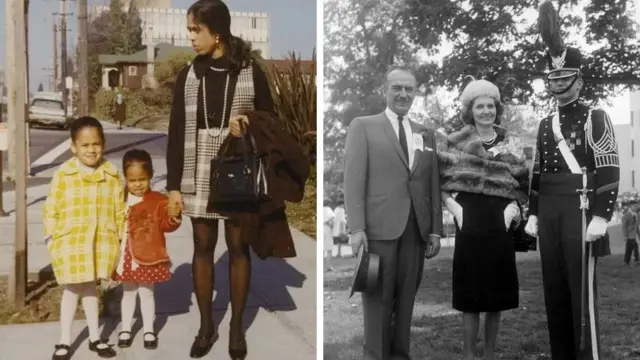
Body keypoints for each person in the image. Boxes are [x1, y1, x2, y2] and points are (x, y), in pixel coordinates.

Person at [164, 1, 276, 358]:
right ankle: (205, 326)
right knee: (201, 247)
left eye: (196, 30)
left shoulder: (248, 70)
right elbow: (176, 131)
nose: (191, 37)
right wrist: (172, 188)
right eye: (190, 30)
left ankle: (236, 327)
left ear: (217, 31)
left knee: (239, 248)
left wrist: (245, 123)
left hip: (237, 167)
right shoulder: (188, 74)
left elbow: (270, 120)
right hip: (196, 168)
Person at [525, 2, 620, 359]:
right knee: (554, 289)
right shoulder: (544, 123)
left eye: (565, 79)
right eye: (554, 79)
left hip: (580, 209)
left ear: (579, 80)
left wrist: (601, 215)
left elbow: (609, 166)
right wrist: (533, 211)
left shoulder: (597, 116)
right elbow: (537, 170)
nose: (559, 85)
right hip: (548, 209)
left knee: (581, 291)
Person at [344, 66, 443, 360]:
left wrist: (435, 229)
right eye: (396, 88)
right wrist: (356, 228)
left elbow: (432, 183)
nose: (403, 94)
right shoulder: (363, 126)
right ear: (384, 91)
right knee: (377, 303)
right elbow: (353, 180)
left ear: (415, 93)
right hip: (378, 231)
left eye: (409, 89)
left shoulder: (426, 134)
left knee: (405, 303)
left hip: (416, 232)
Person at [437, 78, 530, 360]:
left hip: (499, 220)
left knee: (496, 295)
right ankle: (469, 355)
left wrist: (513, 207)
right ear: (470, 110)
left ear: (497, 109)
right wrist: (454, 208)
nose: (486, 111)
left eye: (491, 105)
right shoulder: (455, 141)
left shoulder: (511, 141)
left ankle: (489, 354)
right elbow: (441, 182)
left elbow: (523, 181)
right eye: (480, 106)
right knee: (470, 295)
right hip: (470, 218)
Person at [43, 116, 124, 360]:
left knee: (90, 289)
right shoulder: (64, 174)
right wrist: (51, 236)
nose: (91, 149)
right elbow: (52, 207)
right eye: (85, 145)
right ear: (74, 147)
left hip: (99, 242)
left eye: (96, 144)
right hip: (71, 242)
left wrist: (120, 239)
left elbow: (119, 210)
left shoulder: (111, 174)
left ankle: (94, 337)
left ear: (104, 143)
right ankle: (64, 341)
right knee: (71, 290)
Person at [112, 149, 182, 349]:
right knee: (128, 293)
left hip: (148, 254)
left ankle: (149, 329)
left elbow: (167, 225)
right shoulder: (120, 199)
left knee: (147, 293)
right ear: (125, 178)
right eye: (132, 180)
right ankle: (126, 328)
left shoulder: (158, 201)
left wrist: (173, 215)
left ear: (150, 175)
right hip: (125, 254)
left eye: (142, 179)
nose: (138, 184)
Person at [324, 199, 336, 270]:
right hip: (326, 228)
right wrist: (332, 228)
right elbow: (331, 222)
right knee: (329, 249)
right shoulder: (328, 210)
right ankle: (327, 266)